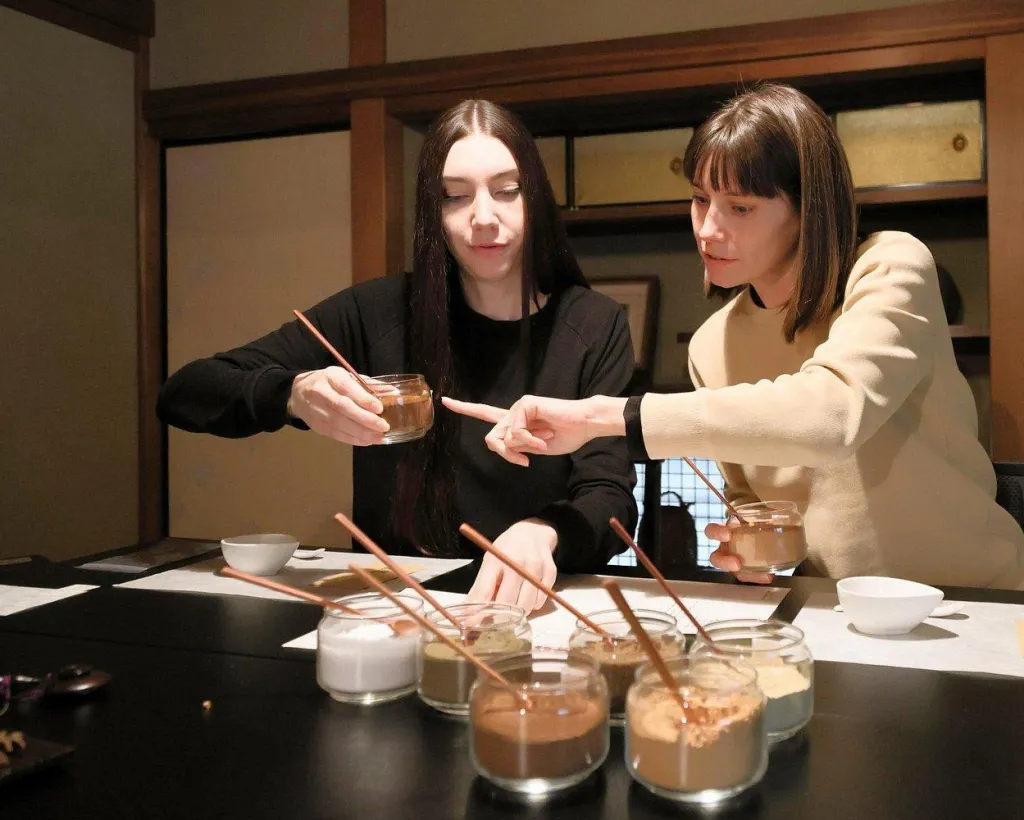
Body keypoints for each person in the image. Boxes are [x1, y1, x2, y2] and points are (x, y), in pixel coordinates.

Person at [445, 83, 1024, 590]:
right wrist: (755, 547)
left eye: (740, 207)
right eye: (700, 199)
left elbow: (833, 413)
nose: (708, 229)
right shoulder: (713, 343)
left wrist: (610, 418)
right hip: (836, 609)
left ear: (806, 208)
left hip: (974, 598)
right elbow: (756, 499)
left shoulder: (890, 265)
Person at [158, 99, 638, 611]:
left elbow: (610, 495)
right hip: (396, 605)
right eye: (455, 196)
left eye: (507, 191)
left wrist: (544, 532)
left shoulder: (593, 324)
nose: (483, 217)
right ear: (433, 211)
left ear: (535, 198)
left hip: (537, 605)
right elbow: (187, 392)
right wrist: (294, 395)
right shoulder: (378, 311)